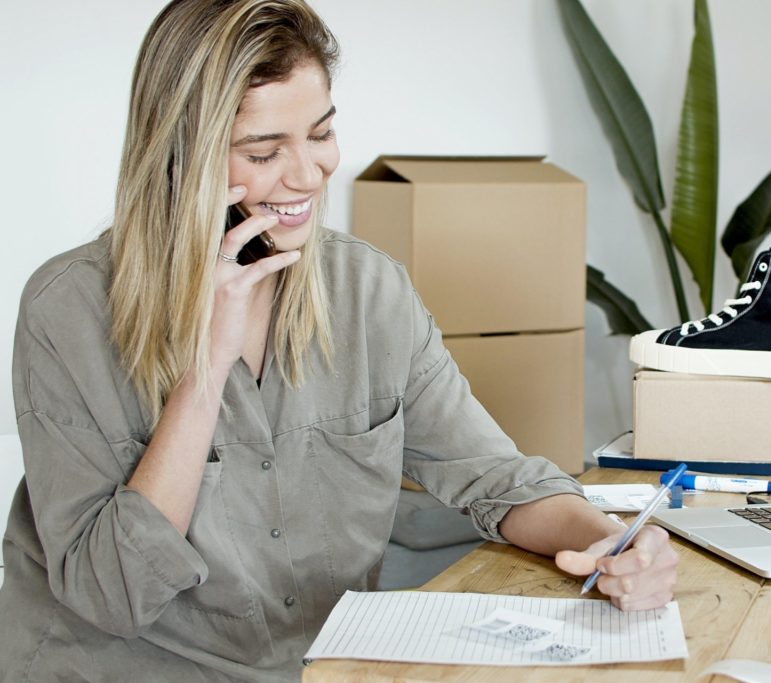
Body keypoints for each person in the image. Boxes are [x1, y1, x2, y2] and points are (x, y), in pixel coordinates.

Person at [0, 1, 678, 680]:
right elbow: (110, 595)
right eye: (264, 152)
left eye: (321, 134)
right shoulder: (67, 311)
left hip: (316, 668)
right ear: (182, 155)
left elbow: (497, 478)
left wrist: (616, 543)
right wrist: (204, 371)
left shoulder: (369, 292)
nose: (308, 174)